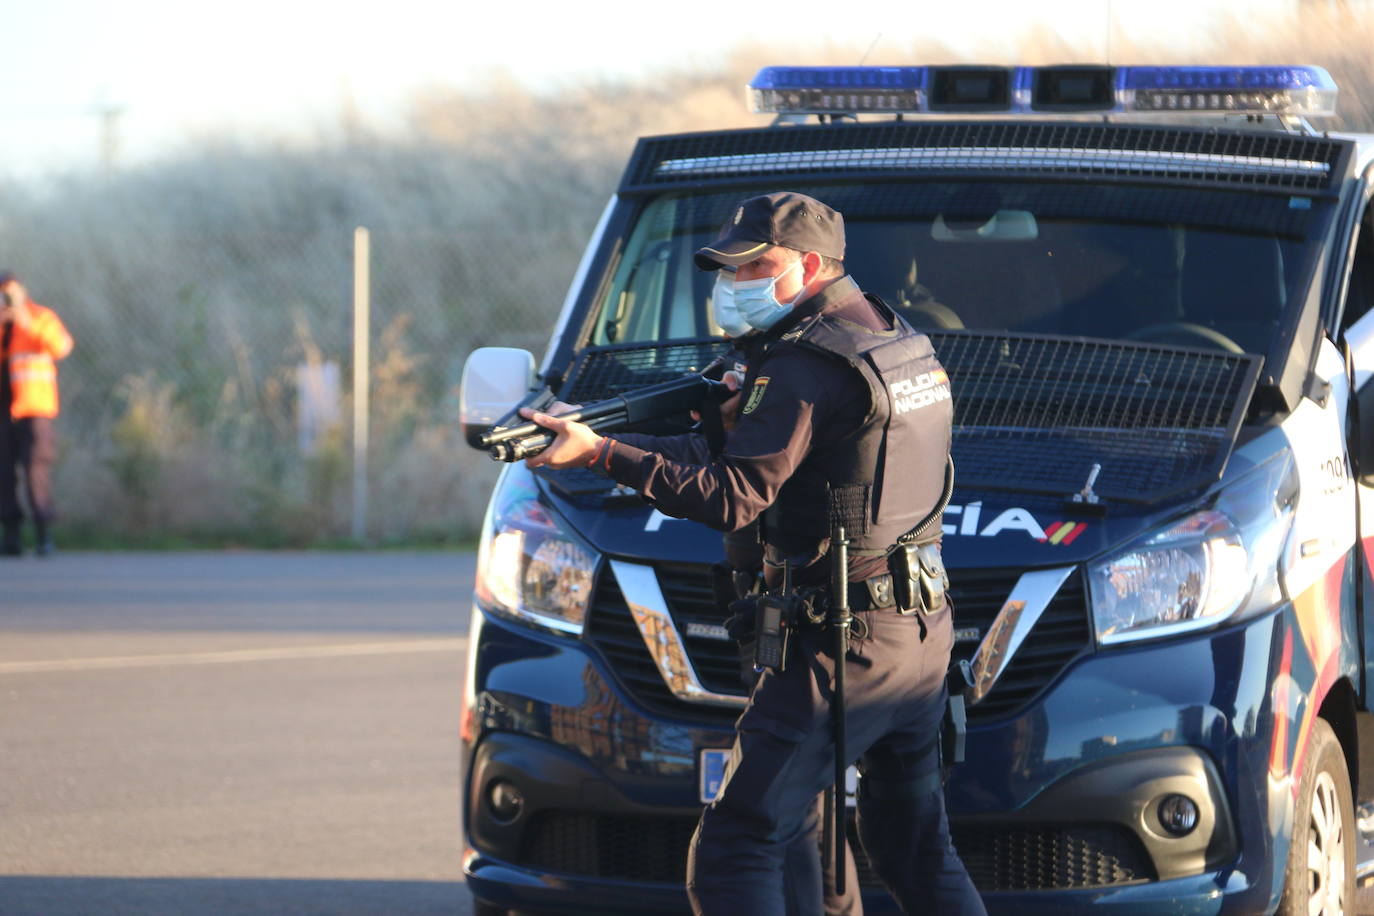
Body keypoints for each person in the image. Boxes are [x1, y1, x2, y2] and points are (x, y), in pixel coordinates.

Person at [521, 193, 984, 916]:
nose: (731, 286)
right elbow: (762, 454)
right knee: (911, 845)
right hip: (920, 634)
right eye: (724, 270)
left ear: (805, 266)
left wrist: (603, 455)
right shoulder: (892, 337)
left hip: (844, 645)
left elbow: (732, 495)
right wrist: (610, 442)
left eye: (750, 268)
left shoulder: (806, 365)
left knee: (737, 843)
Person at [0, 272, 73, 556]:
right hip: (3, 411)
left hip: (33, 409)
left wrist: (23, 320)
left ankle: (44, 534)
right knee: (3, 473)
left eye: (10, 293)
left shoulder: (40, 317)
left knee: (35, 471)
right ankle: (11, 536)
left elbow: (61, 347)